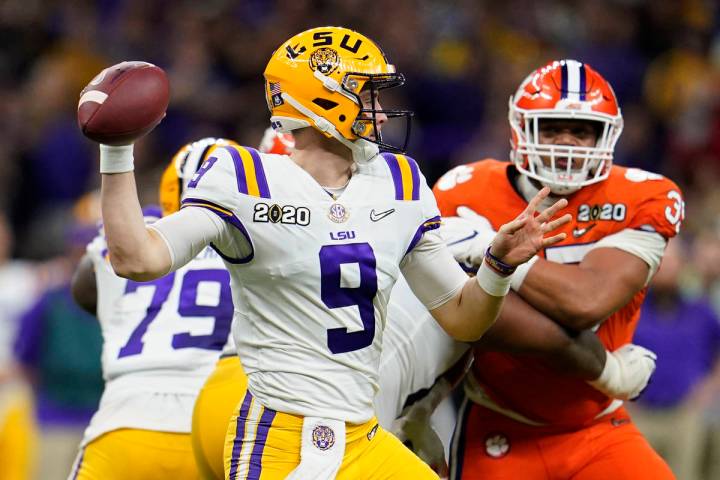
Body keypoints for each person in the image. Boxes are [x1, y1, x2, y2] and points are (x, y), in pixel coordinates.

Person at [89, 27, 572, 479]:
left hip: (363, 436)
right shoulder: (245, 179)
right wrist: (117, 152)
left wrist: (498, 265)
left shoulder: (398, 182)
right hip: (282, 440)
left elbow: (464, 319)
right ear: (324, 99)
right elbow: (138, 259)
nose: (381, 112)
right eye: (368, 95)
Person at [433, 59, 684, 479]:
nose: (566, 142)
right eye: (551, 127)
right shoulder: (466, 191)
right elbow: (476, 319)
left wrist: (491, 251)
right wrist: (605, 368)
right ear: (522, 129)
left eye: (580, 130)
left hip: (598, 427)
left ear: (605, 135)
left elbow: (586, 302)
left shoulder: (643, 196)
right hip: (499, 424)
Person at [66, 138, 237, 479]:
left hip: (124, 422)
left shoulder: (134, 236)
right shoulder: (262, 245)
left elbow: (83, 289)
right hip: (217, 425)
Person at [629, 239, 720, 480]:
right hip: (641, 416)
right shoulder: (631, 310)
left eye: (672, 261)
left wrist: (709, 388)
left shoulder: (701, 311)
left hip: (685, 415)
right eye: (660, 262)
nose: (666, 268)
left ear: (683, 265)